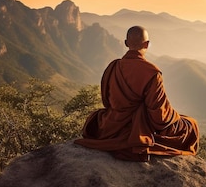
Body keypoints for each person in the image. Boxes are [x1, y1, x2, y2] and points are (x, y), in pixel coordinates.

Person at [75, 26, 199, 161]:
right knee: (190, 124)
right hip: (138, 130)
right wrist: (176, 118)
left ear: (126, 43)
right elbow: (160, 116)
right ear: (147, 44)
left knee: (95, 118)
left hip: (111, 124)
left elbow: (107, 101)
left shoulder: (113, 67)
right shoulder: (151, 72)